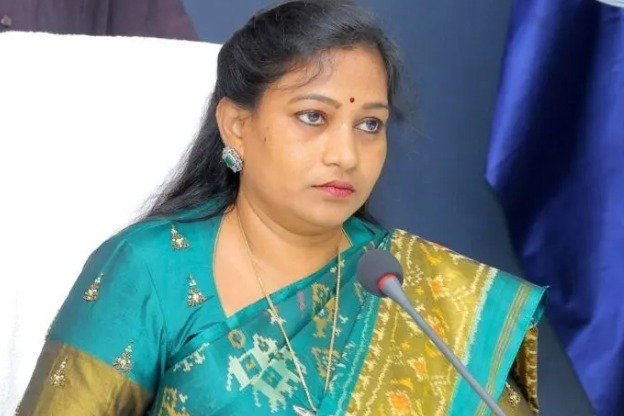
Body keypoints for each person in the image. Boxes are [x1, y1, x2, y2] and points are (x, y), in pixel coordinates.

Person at [17, 1, 545, 414]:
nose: (346, 155)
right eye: (313, 117)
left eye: (370, 125)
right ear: (237, 126)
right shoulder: (153, 269)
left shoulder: (422, 293)